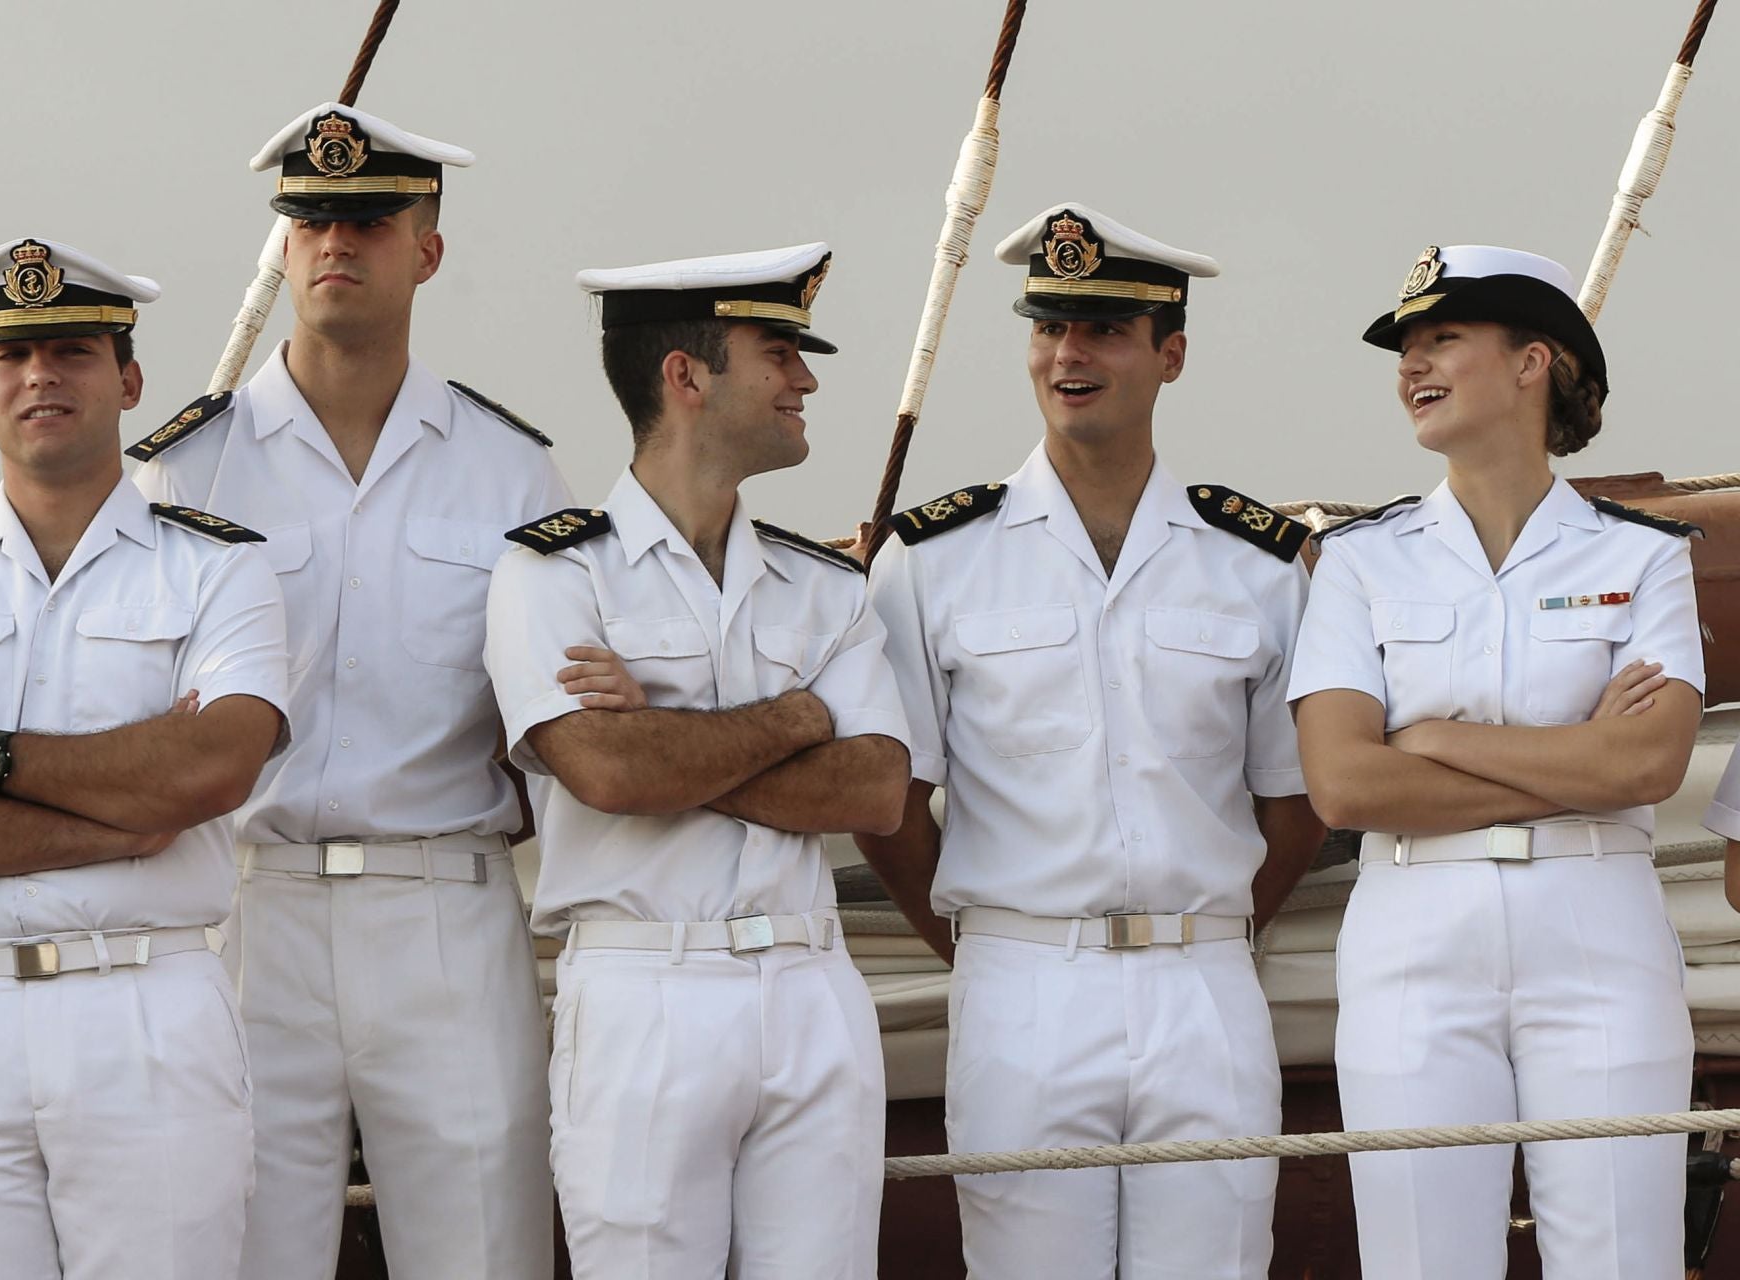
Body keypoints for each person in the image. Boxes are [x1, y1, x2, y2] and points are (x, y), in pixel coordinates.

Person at [131, 103, 570, 1280]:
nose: (336, 242)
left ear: (427, 249)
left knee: (484, 1248)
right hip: (246, 904)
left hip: (446, 906)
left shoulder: (510, 464)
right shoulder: (184, 468)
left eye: (370, 220)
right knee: (237, 1246)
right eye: (311, 217)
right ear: (280, 246)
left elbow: (554, 714)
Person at [857, 202, 1324, 1279]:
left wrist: (1219, 923)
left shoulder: (1255, 561)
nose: (1070, 353)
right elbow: (888, 798)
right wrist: (985, 945)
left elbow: (1297, 796)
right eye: (1050, 324)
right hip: (1021, 979)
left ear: (1171, 354)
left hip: (1204, 982)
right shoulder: (934, 557)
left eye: (1105, 329)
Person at [0, 237, 289, 1279]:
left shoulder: (222, 570)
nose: (42, 374)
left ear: (127, 379)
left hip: (148, 1009)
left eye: (74, 349)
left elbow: (210, 770)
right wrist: (123, 818)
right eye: (13, 354)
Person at [484, 242, 911, 1279]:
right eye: (780, 352)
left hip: (814, 987)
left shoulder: (824, 585)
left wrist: (668, 724)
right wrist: (797, 713)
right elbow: (606, 774)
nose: (805, 378)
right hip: (645, 990)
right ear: (687, 376)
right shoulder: (549, 572)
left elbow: (877, 790)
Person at [1289, 244, 1703, 1278]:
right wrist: (1578, 753)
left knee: (1623, 1260)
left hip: (1599, 933)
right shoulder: (1357, 558)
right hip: (1412, 941)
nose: (1410, 365)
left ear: (1533, 361)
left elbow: (1647, 765)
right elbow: (1344, 782)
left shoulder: (1643, 554)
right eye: (1405, 347)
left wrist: (1428, 739)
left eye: (1442, 338)